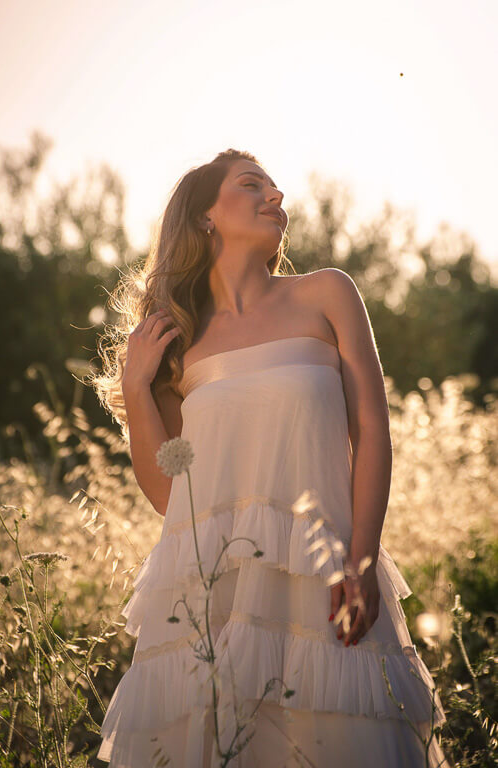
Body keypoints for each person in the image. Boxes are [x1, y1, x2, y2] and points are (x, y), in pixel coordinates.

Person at [91, 149, 450, 767]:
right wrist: (135, 386)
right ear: (204, 217)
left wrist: (360, 561)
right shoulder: (177, 340)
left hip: (324, 576)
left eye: (277, 189)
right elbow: (173, 500)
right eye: (252, 185)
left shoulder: (328, 293)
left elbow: (371, 425)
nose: (275, 197)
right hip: (215, 593)